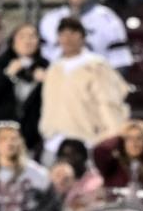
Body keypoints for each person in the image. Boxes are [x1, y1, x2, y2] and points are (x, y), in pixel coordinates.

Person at [37, 17, 131, 151]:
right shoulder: (54, 68)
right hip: (55, 140)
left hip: (89, 139)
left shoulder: (96, 65)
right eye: (63, 34)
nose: (67, 39)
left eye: (72, 33)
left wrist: (113, 134)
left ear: (82, 37)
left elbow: (109, 102)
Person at [0, 23, 47, 149]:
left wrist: (49, 82)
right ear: (12, 41)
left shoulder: (48, 69)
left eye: (32, 36)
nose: (27, 41)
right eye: (22, 37)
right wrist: (7, 75)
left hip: (33, 140)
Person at [40, 0, 133, 70]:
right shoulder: (51, 19)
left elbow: (121, 61)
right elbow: (41, 58)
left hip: (97, 78)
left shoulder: (108, 19)